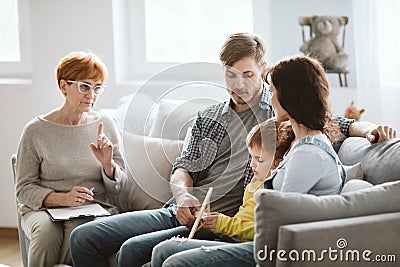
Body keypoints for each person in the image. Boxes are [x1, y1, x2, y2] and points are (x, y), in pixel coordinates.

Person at [70, 33, 396, 267]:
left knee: (133, 250)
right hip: (181, 209)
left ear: (263, 71)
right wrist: (183, 196)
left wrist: (373, 129)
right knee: (84, 238)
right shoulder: (210, 118)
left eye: (249, 75)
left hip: (224, 220)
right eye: (230, 74)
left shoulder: (285, 118)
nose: (238, 84)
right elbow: (184, 168)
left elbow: (336, 123)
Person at [147, 55, 347, 266]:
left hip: (270, 249)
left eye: (274, 92)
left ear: (290, 97)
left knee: (174, 261)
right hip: (259, 239)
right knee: (163, 249)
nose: (270, 99)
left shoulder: (308, 153)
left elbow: (279, 220)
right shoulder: (299, 144)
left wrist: (227, 226)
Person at [15, 51, 127, 267]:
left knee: (79, 233)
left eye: (97, 88)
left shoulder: (106, 124)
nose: (91, 95)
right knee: (46, 235)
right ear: (64, 86)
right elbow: (23, 188)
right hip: (43, 209)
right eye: (84, 86)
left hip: (93, 207)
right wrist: (62, 199)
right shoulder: (35, 131)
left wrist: (107, 165)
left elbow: (120, 187)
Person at [150, 118, 293, 267]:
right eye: (251, 157)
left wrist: (225, 224)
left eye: (259, 160)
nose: (252, 164)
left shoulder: (275, 188)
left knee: (166, 253)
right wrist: (215, 225)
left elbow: (262, 230)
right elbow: (244, 216)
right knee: (160, 250)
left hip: (243, 245)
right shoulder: (256, 182)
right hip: (230, 238)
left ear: (278, 163)